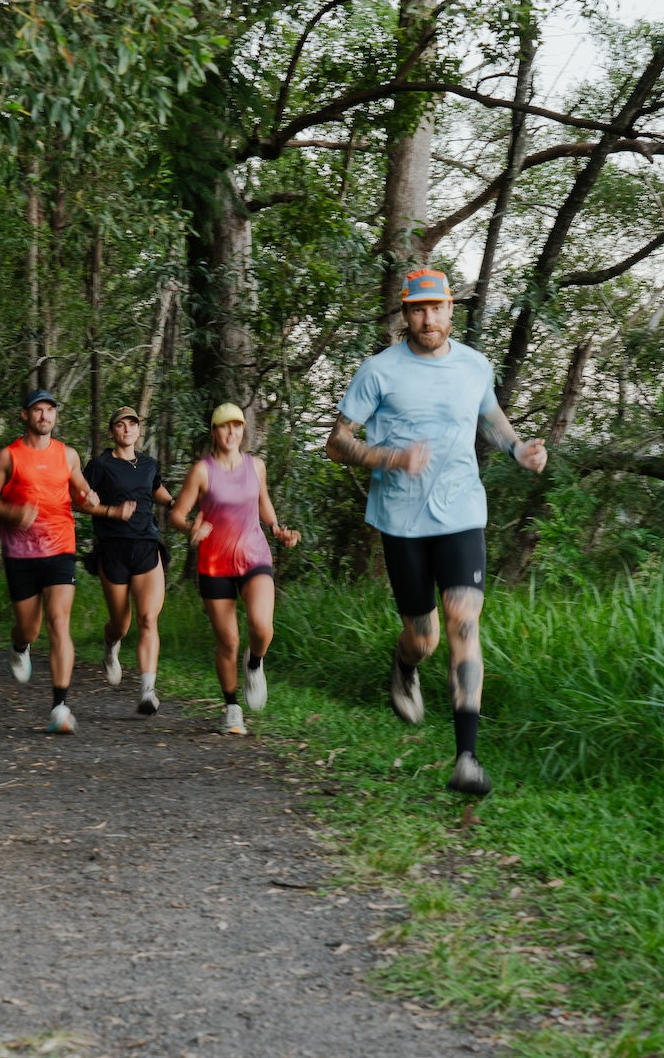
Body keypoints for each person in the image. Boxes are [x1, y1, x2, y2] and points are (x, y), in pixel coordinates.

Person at [325, 267, 548, 796]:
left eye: (437, 308)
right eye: (418, 310)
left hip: (461, 512)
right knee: (423, 637)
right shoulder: (378, 371)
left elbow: (490, 417)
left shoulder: (474, 366)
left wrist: (519, 449)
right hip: (401, 521)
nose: (429, 318)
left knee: (462, 622)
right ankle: (404, 664)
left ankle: (466, 758)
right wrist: (391, 458)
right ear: (406, 314)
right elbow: (337, 443)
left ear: (451, 310)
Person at [169, 402, 301, 736]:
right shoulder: (202, 471)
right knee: (228, 641)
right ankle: (231, 707)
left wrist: (276, 528)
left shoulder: (256, 466)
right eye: (225, 427)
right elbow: (176, 514)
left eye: (237, 426)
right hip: (214, 564)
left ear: (244, 430)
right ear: (214, 432)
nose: (231, 432)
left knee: (262, 627)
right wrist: (190, 529)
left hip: (254, 555)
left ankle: (255, 663)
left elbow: (264, 503)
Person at [0, 388, 99, 734]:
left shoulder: (68, 454)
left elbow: (80, 489)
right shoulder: (8, 457)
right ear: (25, 416)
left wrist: (88, 495)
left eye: (50, 410)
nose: (44, 416)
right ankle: (20, 644)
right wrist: (11, 512)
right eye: (38, 410)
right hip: (21, 552)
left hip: (61, 545)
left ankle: (60, 706)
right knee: (30, 627)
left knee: (59, 622)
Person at [82, 406, 176, 716]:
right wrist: (110, 511)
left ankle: (147, 690)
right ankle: (111, 646)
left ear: (138, 430)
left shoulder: (149, 464)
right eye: (120, 425)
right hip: (113, 549)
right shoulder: (99, 465)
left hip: (146, 546)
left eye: (132, 424)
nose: (127, 429)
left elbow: (155, 487)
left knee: (148, 619)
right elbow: (79, 501)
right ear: (111, 431)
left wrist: (176, 502)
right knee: (121, 623)